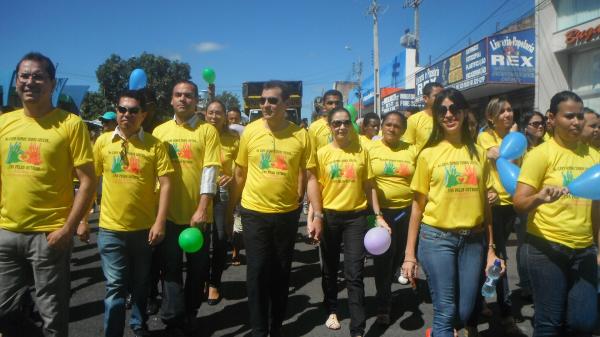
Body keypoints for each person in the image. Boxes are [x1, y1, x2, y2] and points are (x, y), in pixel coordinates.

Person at [0, 52, 96, 337]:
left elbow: (88, 182)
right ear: (16, 82)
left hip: (49, 236)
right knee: (3, 311)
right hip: (7, 232)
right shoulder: (4, 123)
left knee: (52, 317)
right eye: (24, 76)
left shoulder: (70, 125)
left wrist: (68, 227)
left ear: (52, 84)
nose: (30, 82)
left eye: (38, 76)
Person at [402, 88, 503, 337]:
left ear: (464, 111)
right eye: (442, 110)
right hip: (437, 238)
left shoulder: (479, 153)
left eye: (454, 108)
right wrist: (409, 254)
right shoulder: (428, 154)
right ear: (437, 116)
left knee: (466, 311)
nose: (449, 114)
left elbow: (485, 205)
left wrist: (490, 249)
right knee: (445, 310)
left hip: (473, 240)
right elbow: (417, 206)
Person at [229, 80, 323, 337]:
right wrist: (230, 212)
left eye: (272, 100)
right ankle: (259, 330)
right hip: (254, 213)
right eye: (262, 100)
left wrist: (317, 215)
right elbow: (239, 173)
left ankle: (276, 326)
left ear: (287, 104)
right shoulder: (250, 131)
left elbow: (312, 177)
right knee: (257, 272)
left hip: (286, 215)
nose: (266, 105)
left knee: (281, 273)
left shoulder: (301, 136)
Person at [514, 91, 599, 337]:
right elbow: (519, 203)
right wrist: (539, 198)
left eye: (580, 116)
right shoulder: (540, 155)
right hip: (546, 248)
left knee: (584, 323)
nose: (576, 122)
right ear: (552, 118)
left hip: (584, 250)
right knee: (550, 323)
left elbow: (597, 209)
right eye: (569, 116)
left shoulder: (594, 157)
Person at [94, 90, 173, 337]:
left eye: (133, 110)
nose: (126, 114)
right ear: (116, 112)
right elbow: (92, 180)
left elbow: (167, 184)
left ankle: (138, 324)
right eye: (122, 109)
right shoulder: (102, 142)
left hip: (143, 230)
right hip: (110, 229)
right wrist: (84, 218)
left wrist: (160, 222)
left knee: (141, 283)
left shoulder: (155, 145)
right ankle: (113, 332)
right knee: (116, 286)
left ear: (143, 115)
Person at [152, 81, 221, 336]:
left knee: (197, 269)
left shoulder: (207, 131)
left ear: (196, 101)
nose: (183, 99)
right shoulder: (159, 132)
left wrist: (202, 208)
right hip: (167, 215)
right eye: (178, 95)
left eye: (189, 96)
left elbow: (210, 170)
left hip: (198, 217)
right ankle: (173, 320)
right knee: (169, 269)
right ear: (171, 100)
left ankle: (191, 312)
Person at [317, 107, 390, 337]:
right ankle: (331, 309)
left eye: (346, 123)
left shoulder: (361, 152)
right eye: (337, 123)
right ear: (330, 126)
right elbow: (316, 189)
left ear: (351, 126)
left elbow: (369, 186)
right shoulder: (322, 154)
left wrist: (378, 215)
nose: (341, 127)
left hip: (356, 218)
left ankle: (357, 328)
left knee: (354, 272)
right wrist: (315, 216)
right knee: (329, 268)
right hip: (329, 216)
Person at [475, 96, 521, 334]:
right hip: (493, 206)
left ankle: (484, 296)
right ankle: (505, 312)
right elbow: (504, 157)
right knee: (499, 256)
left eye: (510, 109)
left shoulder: (517, 138)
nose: (507, 114)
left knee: (497, 257)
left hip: (513, 203)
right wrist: (513, 135)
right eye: (501, 112)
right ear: (490, 118)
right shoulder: (485, 137)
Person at [368, 111, 417, 325]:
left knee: (399, 256)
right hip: (381, 214)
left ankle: (388, 285)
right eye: (387, 124)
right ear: (381, 126)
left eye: (397, 126)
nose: (391, 128)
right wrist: (376, 214)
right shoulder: (371, 149)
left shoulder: (412, 150)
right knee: (383, 261)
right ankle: (383, 305)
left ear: (403, 130)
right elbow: (367, 183)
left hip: (406, 212)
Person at [204, 100, 239, 306]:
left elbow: (242, 164)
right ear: (205, 114)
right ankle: (200, 279)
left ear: (225, 116)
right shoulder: (198, 133)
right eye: (210, 112)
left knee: (219, 238)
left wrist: (232, 175)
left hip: (221, 194)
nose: (214, 116)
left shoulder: (233, 138)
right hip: (198, 194)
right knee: (199, 240)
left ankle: (214, 282)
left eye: (218, 113)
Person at [403, 82, 444, 151]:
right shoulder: (413, 119)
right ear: (425, 98)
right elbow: (407, 147)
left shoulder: (448, 118)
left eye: (443, 96)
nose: (441, 99)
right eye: (436, 96)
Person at [307, 89, 343, 154]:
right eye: (330, 103)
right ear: (324, 105)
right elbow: (311, 156)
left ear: (342, 104)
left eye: (337, 103)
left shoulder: (348, 126)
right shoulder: (314, 127)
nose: (334, 106)